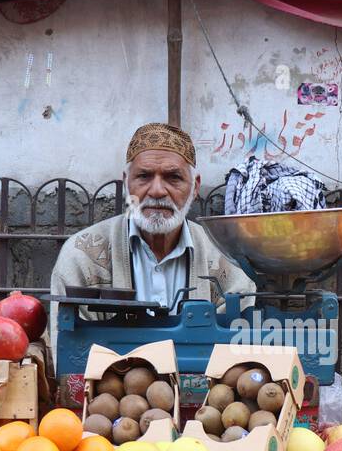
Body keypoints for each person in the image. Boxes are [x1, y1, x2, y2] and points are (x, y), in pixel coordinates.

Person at [50, 123, 255, 337]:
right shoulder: (81, 256)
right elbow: (71, 354)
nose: (157, 191)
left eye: (173, 177)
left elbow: (235, 355)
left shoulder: (227, 260)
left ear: (195, 187)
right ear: (126, 182)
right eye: (144, 176)